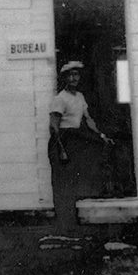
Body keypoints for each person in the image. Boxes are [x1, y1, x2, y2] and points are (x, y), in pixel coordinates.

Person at [48, 61, 112, 231]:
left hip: (75, 140)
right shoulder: (60, 98)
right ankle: (63, 223)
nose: (73, 78)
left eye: (76, 74)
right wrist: (61, 149)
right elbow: (53, 125)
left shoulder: (80, 97)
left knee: (74, 180)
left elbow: (88, 119)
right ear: (64, 78)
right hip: (61, 140)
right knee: (63, 183)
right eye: (69, 75)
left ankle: (72, 222)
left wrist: (100, 134)